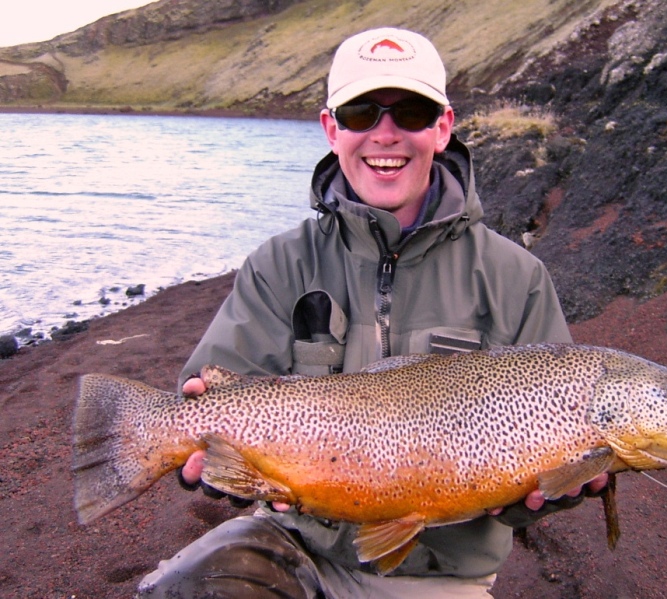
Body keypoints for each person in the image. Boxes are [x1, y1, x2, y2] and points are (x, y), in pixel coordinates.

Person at [137, 27, 606, 599]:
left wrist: (563, 485)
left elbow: (523, 500)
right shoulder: (278, 263)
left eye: (411, 111)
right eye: (361, 112)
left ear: (443, 126)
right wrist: (208, 455)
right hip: (294, 544)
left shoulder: (517, 279)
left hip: (439, 575)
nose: (385, 134)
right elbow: (213, 387)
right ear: (332, 129)